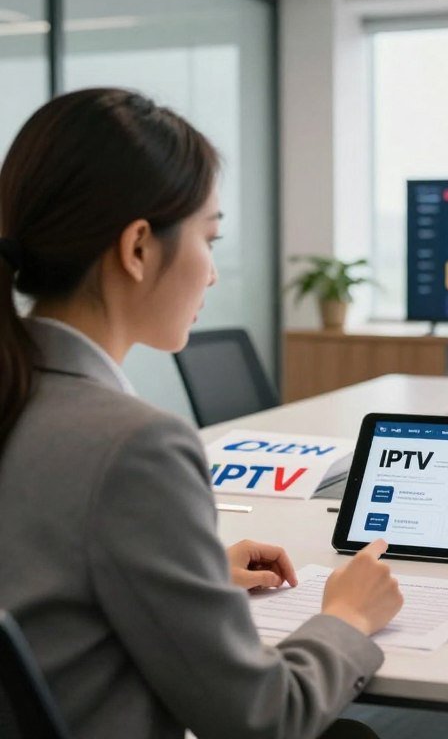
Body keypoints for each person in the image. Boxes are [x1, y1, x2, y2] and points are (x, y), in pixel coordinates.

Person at [0, 88, 403, 739]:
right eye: (208, 238)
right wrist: (348, 616)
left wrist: (197, 576)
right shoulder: (134, 445)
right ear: (137, 249)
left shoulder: (19, 395)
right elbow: (264, 719)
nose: (213, 274)